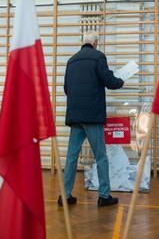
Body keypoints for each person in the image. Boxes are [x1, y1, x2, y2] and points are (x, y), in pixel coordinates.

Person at [58, 31, 124, 207]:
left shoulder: (71, 61)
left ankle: (65, 195)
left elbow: (66, 88)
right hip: (92, 116)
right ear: (95, 43)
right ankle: (104, 196)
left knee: (72, 156)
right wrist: (121, 80)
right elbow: (109, 81)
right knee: (101, 156)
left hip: (75, 116)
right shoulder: (98, 57)